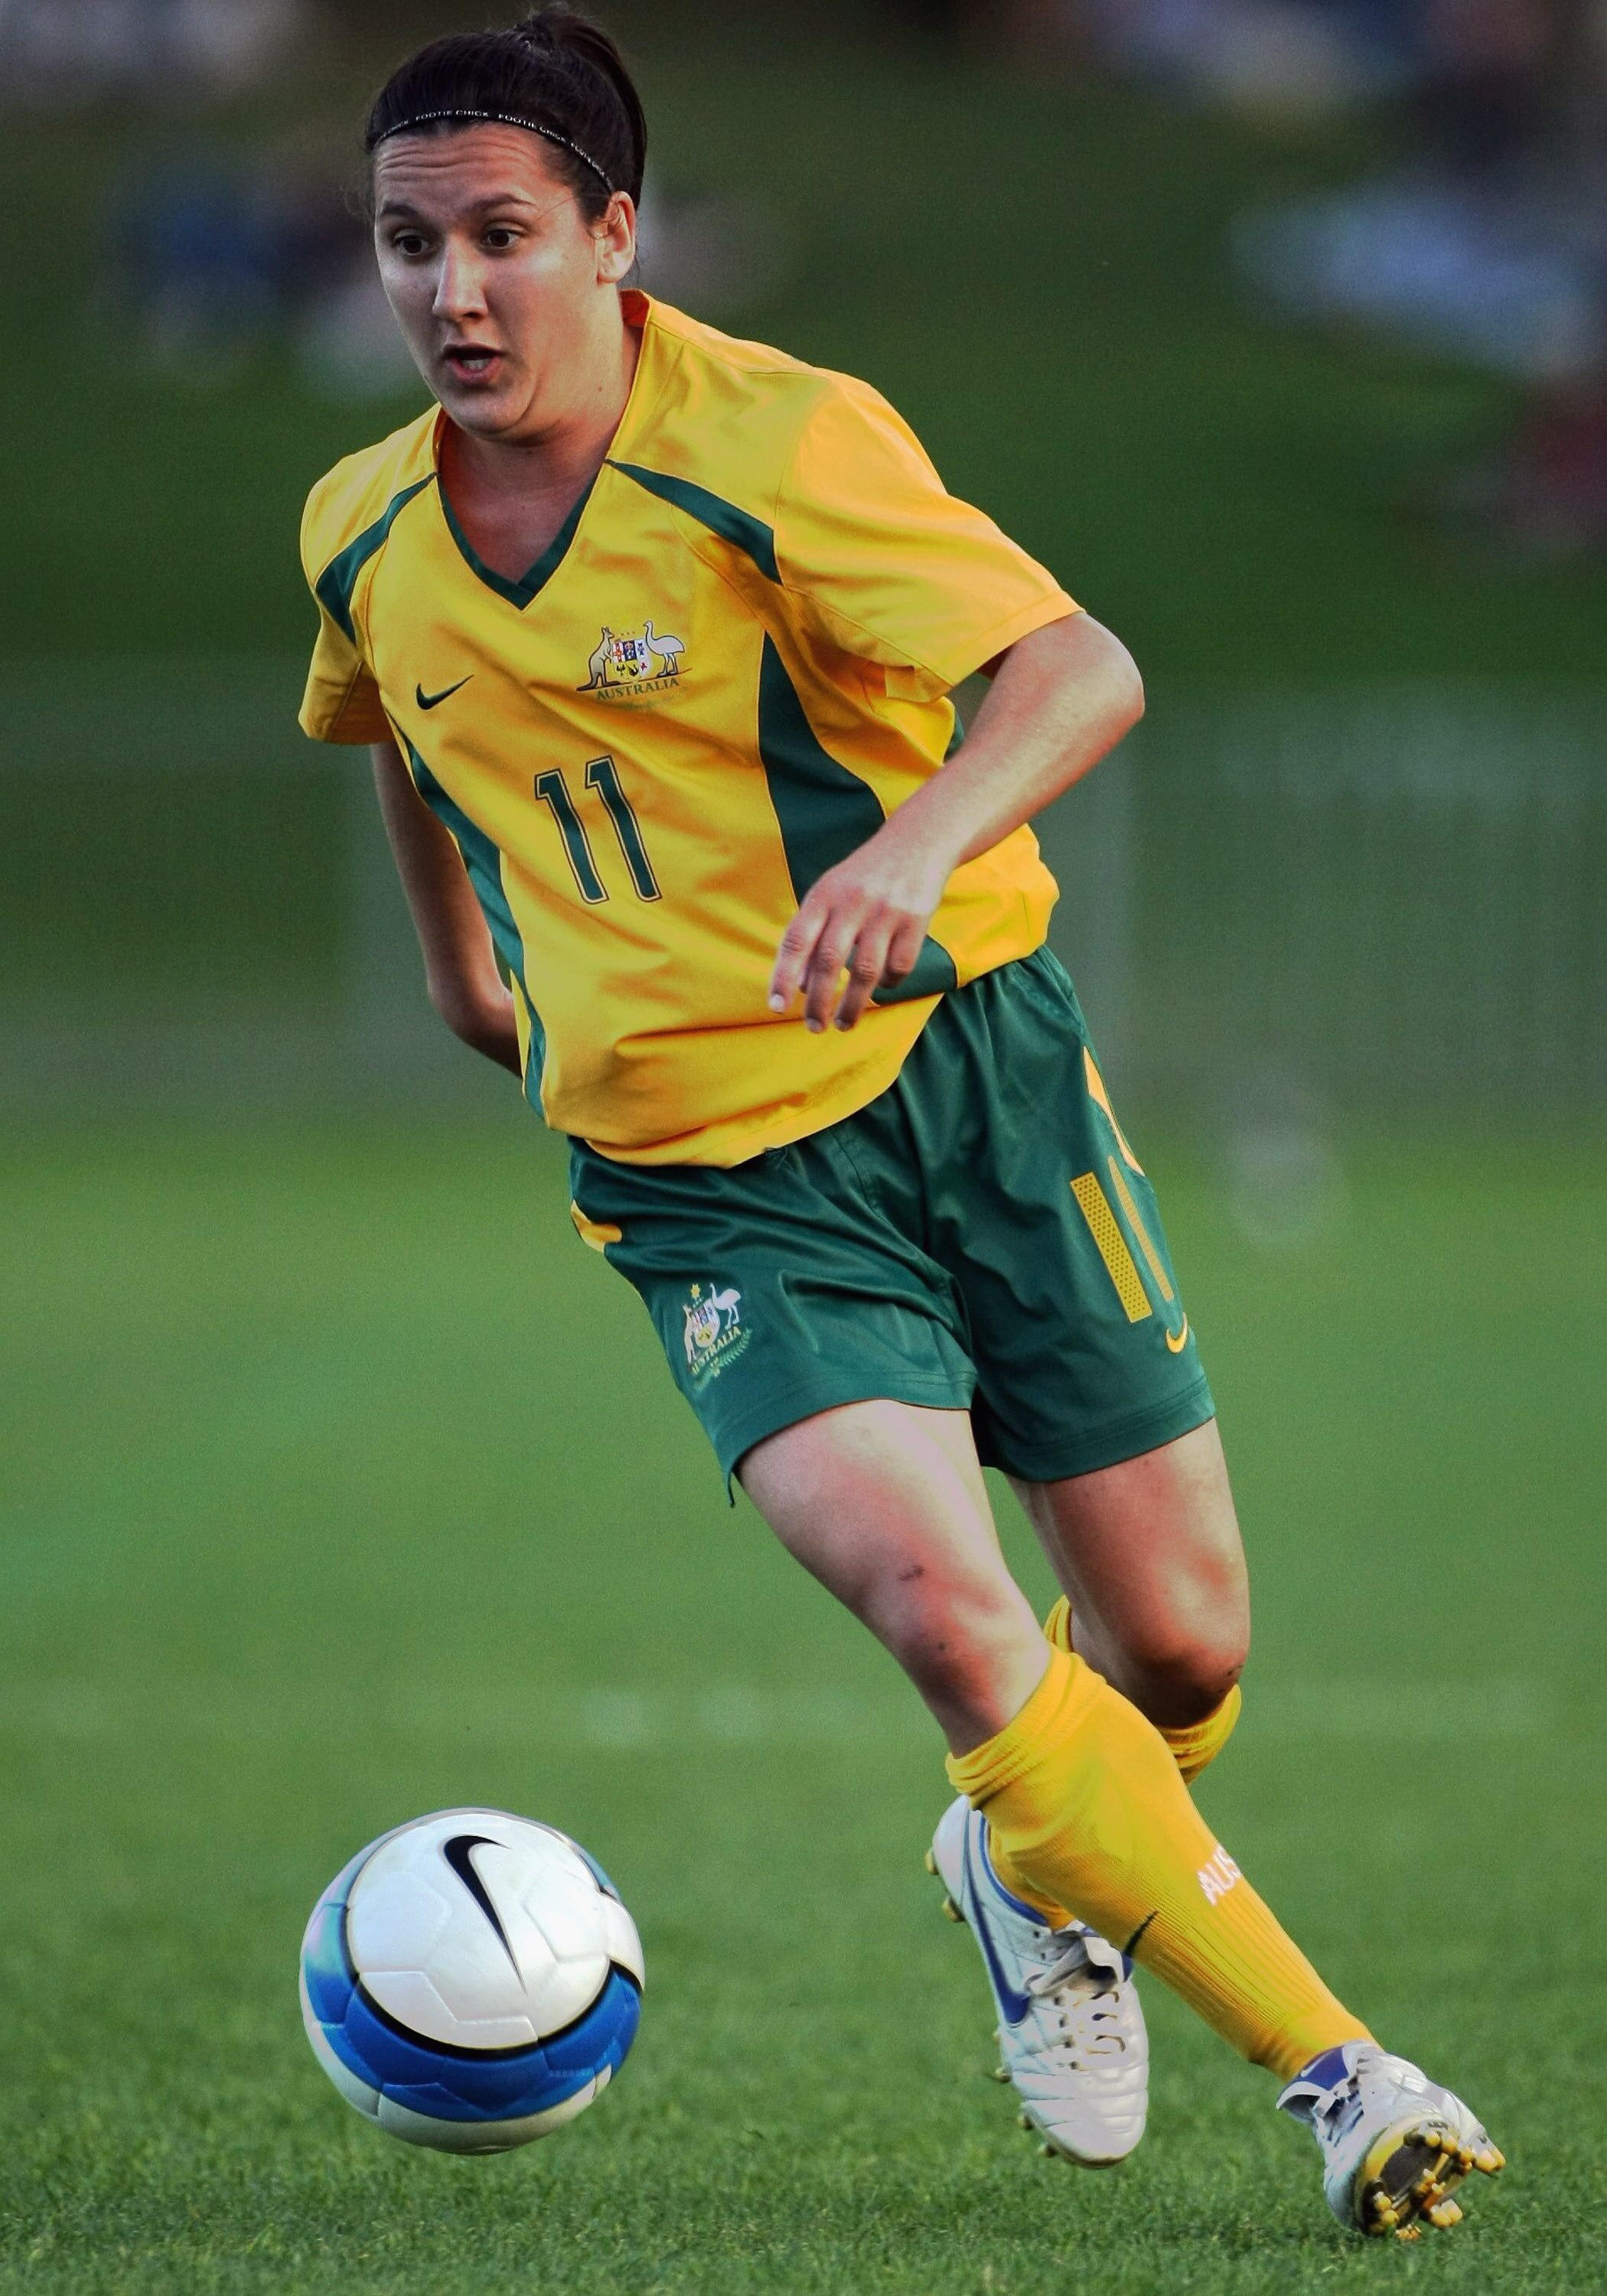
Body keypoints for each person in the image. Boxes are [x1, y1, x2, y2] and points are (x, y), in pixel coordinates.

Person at [296, 4, 1503, 2241]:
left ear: (613, 235)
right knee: (958, 1621)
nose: (451, 292)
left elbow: (1077, 670)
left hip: (969, 1064)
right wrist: (477, 982)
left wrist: (903, 853)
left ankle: (1020, 1854)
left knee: (1176, 1654)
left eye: (498, 236)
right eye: (403, 245)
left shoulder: (778, 439)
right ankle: (1345, 2079)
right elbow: (396, 712)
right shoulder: (359, 525)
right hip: (709, 1179)